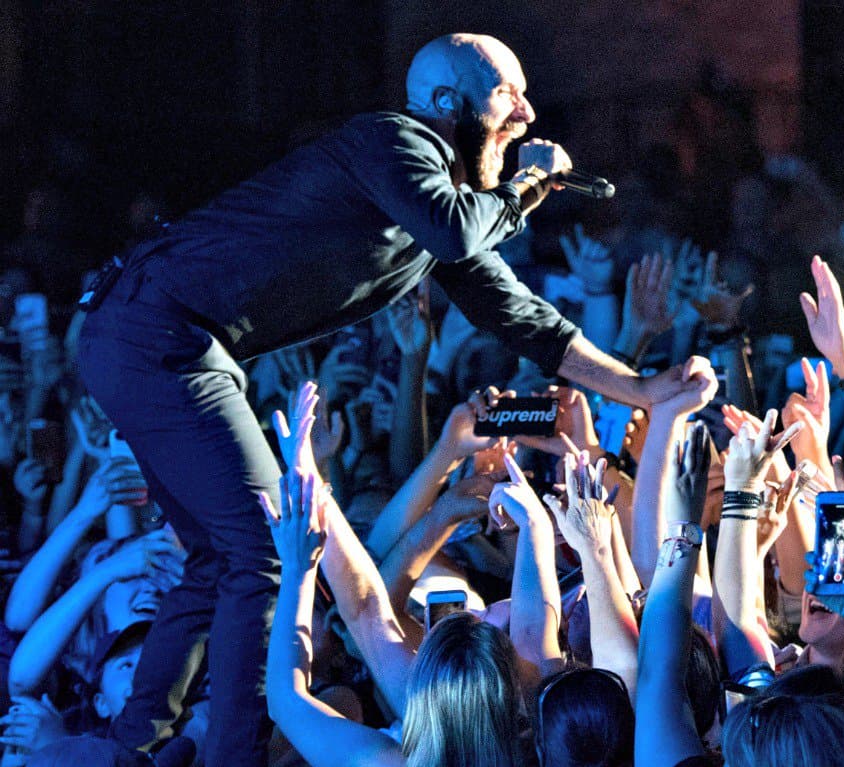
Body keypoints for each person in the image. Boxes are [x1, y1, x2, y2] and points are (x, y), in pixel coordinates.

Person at [75, 32, 709, 767]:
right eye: (507, 94)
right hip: (158, 332)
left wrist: (640, 388)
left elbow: (519, 315)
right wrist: (530, 184)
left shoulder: (433, 207)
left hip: (153, 334)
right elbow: (456, 229)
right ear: (446, 103)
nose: (527, 115)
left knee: (220, 559)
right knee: (263, 551)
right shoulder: (394, 143)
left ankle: (134, 745)